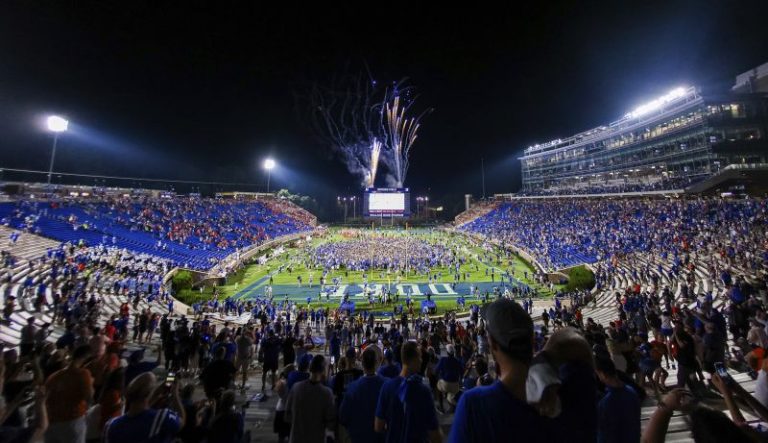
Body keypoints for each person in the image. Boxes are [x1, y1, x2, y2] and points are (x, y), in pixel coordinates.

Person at [448, 299, 597, 443]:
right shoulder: (569, 392)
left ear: (492, 344)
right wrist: (543, 361)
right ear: (532, 340)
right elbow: (576, 340)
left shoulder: (474, 405)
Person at [375, 341, 441, 443]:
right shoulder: (423, 391)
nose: (421, 360)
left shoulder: (387, 387)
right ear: (413, 360)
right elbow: (434, 434)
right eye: (419, 357)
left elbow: (378, 426)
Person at [103, 372, 185, 443]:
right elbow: (181, 421)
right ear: (149, 394)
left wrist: (155, 392)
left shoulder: (110, 426)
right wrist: (175, 394)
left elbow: (140, 413)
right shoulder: (160, 418)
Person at [44, 344, 94, 443]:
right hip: (72, 421)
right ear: (86, 358)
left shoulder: (54, 376)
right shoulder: (83, 374)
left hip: (51, 422)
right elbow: (89, 398)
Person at [285, 355, 335, 443]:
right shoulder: (327, 393)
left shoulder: (296, 388)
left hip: (296, 438)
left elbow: (287, 416)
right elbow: (330, 423)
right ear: (323, 370)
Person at [340, 346, 385, 443]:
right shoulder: (386, 385)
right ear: (376, 362)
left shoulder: (352, 388)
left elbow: (343, 417)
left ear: (362, 363)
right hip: (380, 438)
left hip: (358, 437)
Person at [594, 357, 640, 443]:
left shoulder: (605, 403)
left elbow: (603, 435)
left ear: (602, 374)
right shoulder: (631, 391)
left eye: (598, 374)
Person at [435, 344, 463, 412]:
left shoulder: (443, 360)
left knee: (438, 386)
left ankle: (441, 407)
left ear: (447, 352)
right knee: (451, 393)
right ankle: (451, 406)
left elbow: (436, 370)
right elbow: (462, 371)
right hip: (456, 385)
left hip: (446, 384)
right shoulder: (457, 361)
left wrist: (440, 376)